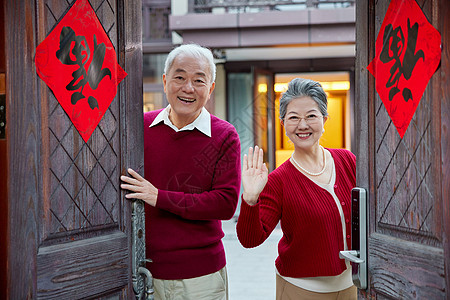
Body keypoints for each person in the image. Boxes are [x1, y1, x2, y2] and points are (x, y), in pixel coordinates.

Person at [120, 43, 241, 300]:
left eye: (199, 80)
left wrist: (158, 196)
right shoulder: (139, 127)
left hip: (201, 277)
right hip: (142, 272)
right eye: (179, 77)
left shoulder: (224, 135)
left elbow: (225, 204)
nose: (188, 88)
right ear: (165, 82)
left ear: (210, 89)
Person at [236, 78, 357, 300]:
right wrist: (251, 198)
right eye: (293, 118)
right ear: (283, 124)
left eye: (311, 116)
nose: (302, 125)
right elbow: (250, 240)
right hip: (301, 290)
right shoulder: (278, 181)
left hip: (352, 286)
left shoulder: (347, 160)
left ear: (324, 119)